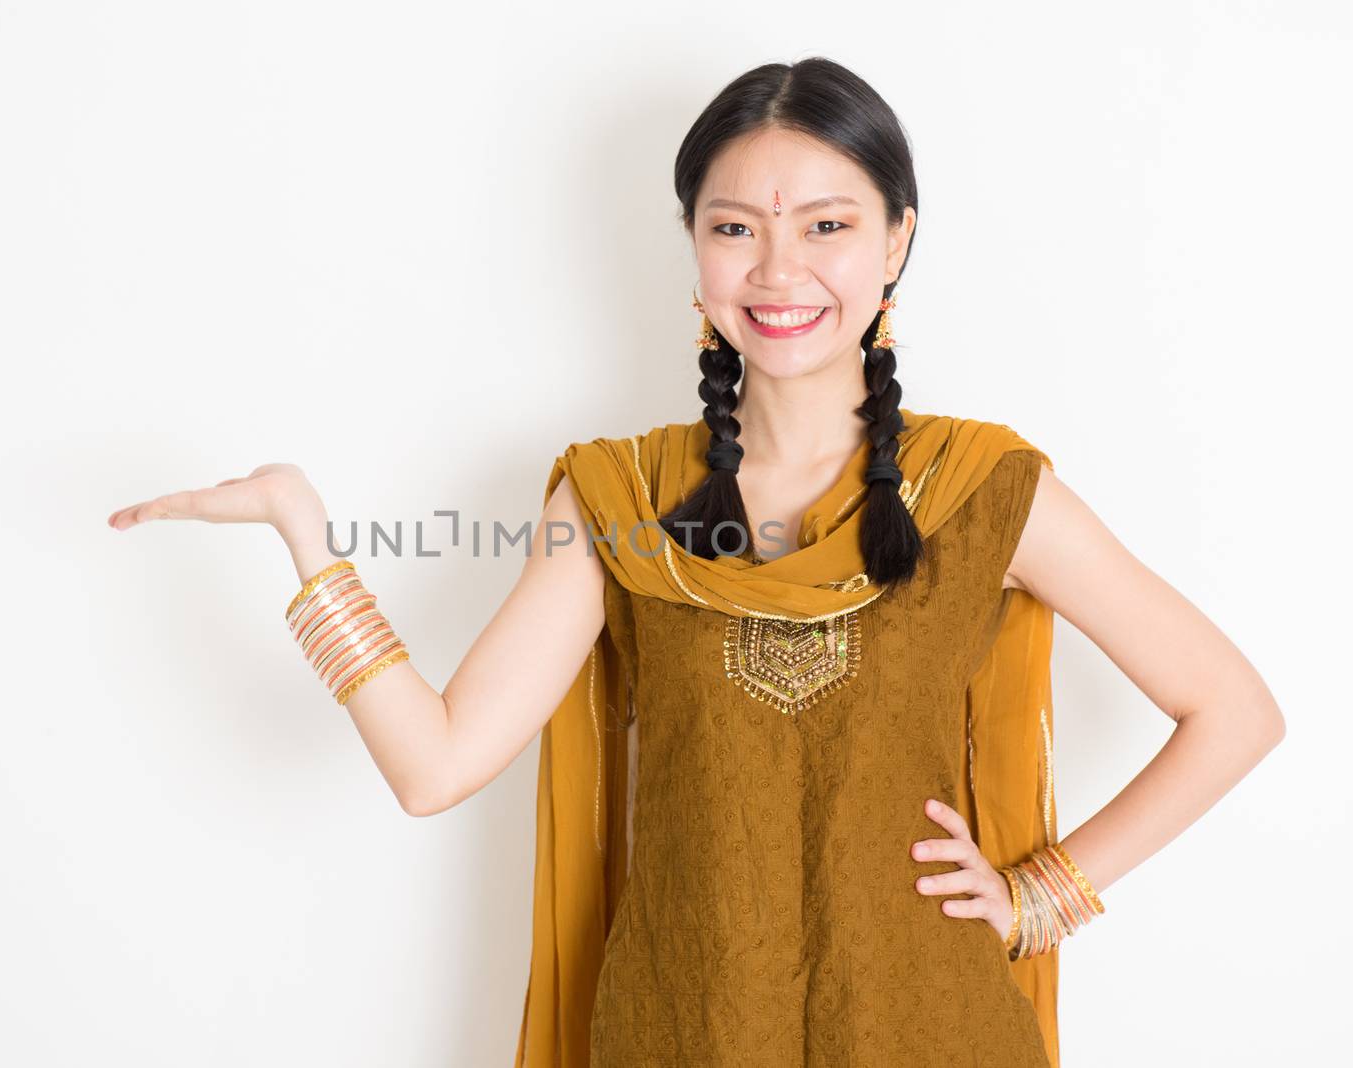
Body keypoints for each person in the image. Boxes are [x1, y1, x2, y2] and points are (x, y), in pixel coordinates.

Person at [106, 56, 1285, 1068]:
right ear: (692, 248)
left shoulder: (982, 493)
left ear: (897, 240)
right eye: (736, 228)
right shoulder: (618, 500)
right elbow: (436, 765)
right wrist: (309, 540)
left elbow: (1232, 709)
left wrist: (1040, 897)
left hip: (929, 1024)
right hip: (683, 1027)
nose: (779, 272)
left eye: (826, 225)